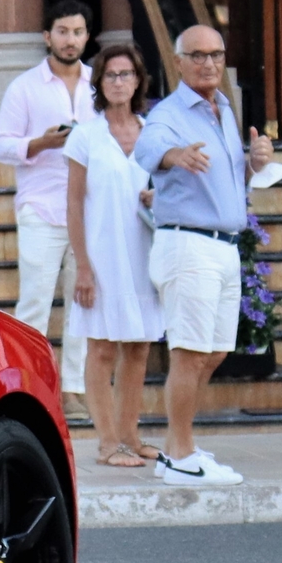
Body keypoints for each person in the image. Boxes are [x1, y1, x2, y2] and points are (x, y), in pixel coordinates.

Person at [133, 23, 273, 487]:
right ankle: (179, 454)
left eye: (215, 54)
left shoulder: (223, 109)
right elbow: (149, 149)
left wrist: (255, 161)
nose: (208, 63)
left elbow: (231, 181)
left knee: (212, 353)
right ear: (178, 63)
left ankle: (181, 447)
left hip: (225, 247)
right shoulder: (168, 113)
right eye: (197, 55)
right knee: (189, 355)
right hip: (189, 243)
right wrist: (175, 155)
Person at [0, 0, 97, 407]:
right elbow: (1, 146)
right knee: (34, 300)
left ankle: (75, 388)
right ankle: (30, 389)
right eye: (63, 32)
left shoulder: (98, 83)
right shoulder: (24, 87)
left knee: (83, 302)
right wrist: (41, 143)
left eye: (78, 32)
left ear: (87, 36)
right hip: (42, 207)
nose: (71, 40)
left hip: (90, 211)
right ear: (47, 36)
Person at [65, 41, 162, 467]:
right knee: (101, 348)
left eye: (126, 74)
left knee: (139, 348)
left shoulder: (153, 132)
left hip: (144, 254)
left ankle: (130, 435)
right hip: (101, 257)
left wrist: (157, 196)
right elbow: (72, 203)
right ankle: (107, 443)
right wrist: (82, 265)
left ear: (138, 80)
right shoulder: (86, 136)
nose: (119, 82)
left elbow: (171, 189)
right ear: (99, 83)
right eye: (111, 75)